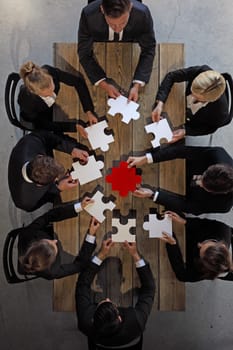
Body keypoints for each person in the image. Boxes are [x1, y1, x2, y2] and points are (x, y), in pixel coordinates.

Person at [75, 239, 155, 349]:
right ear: (120, 318)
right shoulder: (136, 321)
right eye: (110, 303)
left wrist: (100, 255)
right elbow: (149, 288)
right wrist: (136, 255)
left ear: (93, 319)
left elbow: (82, 285)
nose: (108, 299)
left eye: (103, 303)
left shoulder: (86, 322)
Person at [78, 0, 156, 101]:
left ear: (130, 8)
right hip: (101, 47)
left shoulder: (142, 14)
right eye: (112, 24)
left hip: (130, 47)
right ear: (102, 9)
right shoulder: (88, 15)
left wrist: (137, 85)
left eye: (123, 22)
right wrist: (104, 85)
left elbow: (149, 49)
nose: (118, 29)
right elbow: (84, 54)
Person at [127, 143, 233, 215]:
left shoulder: (223, 205)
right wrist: (146, 159)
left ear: (215, 193)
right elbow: (182, 151)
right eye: (202, 176)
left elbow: (188, 207)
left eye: (204, 186)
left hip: (187, 192)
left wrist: (152, 194)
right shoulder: (217, 154)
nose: (198, 181)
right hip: (181, 167)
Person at [8, 130, 89, 212]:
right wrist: (58, 188)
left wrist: (72, 150)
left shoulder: (29, 142)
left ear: (40, 156)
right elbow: (39, 202)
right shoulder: (25, 202)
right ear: (39, 185)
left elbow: (47, 136)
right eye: (56, 178)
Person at [17, 202, 99, 280]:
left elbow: (48, 216)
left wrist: (78, 207)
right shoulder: (52, 272)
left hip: (26, 241)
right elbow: (79, 266)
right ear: (52, 261)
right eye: (54, 247)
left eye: (49, 242)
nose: (55, 241)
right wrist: (91, 235)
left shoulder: (29, 232)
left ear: (36, 243)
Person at [18, 61, 98, 136]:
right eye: (47, 95)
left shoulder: (50, 71)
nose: (52, 95)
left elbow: (77, 82)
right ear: (34, 92)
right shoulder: (27, 102)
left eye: (53, 89)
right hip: (38, 116)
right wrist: (73, 127)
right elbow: (42, 124)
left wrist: (89, 111)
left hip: (46, 108)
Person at [152, 65, 230, 140]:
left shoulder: (220, 114)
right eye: (192, 89)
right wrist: (160, 103)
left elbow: (210, 128)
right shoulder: (202, 71)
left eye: (197, 97)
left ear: (211, 100)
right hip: (180, 105)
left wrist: (186, 131)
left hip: (192, 120)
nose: (192, 96)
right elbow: (171, 76)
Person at [160, 211, 233, 282]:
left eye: (200, 249)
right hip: (191, 232)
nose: (199, 244)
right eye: (206, 242)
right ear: (222, 245)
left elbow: (182, 275)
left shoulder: (203, 271)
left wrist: (173, 244)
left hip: (188, 253)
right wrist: (185, 221)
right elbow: (202, 223)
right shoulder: (222, 229)